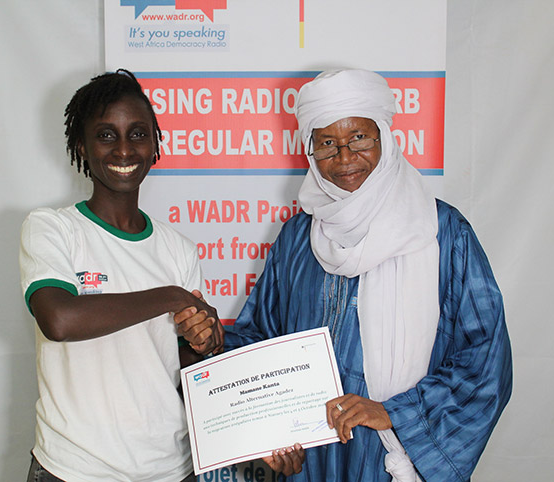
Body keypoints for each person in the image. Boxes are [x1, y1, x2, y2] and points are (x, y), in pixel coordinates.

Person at [175, 69, 512, 481]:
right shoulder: (298, 236)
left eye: (359, 138)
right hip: (310, 457)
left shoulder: (441, 233)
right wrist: (264, 429)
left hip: (388, 457)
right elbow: (261, 336)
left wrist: (393, 413)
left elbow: (486, 359)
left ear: (384, 137)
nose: (345, 158)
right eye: (327, 143)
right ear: (310, 150)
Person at [19, 69, 223, 482]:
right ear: (82, 145)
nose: (124, 149)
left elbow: (175, 363)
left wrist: (204, 343)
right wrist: (171, 296)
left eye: (138, 133)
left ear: (155, 144)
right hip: (74, 469)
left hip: (169, 468)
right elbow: (59, 319)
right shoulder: (52, 228)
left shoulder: (177, 248)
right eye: (106, 135)